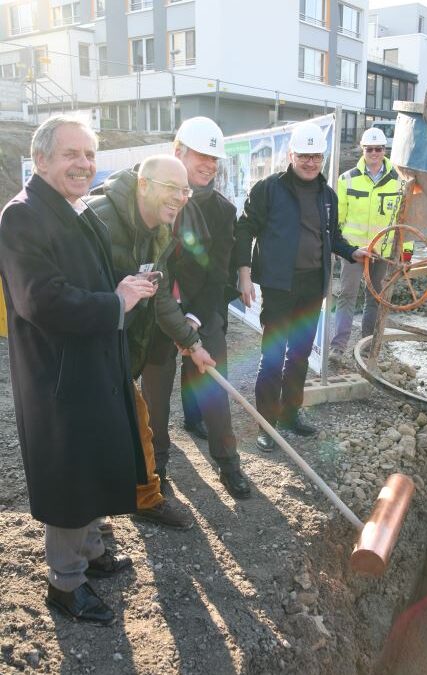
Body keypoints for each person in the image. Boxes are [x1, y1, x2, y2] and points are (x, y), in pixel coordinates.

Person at [0, 116, 156, 625]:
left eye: (89, 155)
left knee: (91, 457)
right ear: (40, 159)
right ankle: (64, 584)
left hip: (91, 361)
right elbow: (39, 300)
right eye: (71, 154)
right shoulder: (22, 217)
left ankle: (91, 553)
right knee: (68, 471)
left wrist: (127, 284)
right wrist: (115, 304)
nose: (84, 164)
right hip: (57, 375)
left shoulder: (76, 209)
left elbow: (90, 276)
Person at [86, 154, 215, 529]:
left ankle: (145, 499)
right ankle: (88, 522)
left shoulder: (159, 229)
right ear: (144, 184)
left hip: (120, 352)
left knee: (138, 422)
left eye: (185, 190)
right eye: (171, 189)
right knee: (92, 433)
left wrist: (192, 343)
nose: (181, 198)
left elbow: (158, 295)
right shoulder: (98, 220)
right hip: (86, 353)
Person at [235, 120, 367, 452]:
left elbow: (331, 237)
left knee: (300, 355)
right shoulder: (268, 189)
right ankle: (267, 425)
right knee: (273, 356)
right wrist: (245, 274)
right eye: (304, 155)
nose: (310, 162)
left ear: (322, 158)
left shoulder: (328, 196)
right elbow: (244, 230)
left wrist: (351, 251)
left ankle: (291, 413)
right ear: (291, 154)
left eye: (316, 156)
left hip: (312, 287)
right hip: (279, 288)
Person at [142, 117, 251, 500]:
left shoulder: (222, 210)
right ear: (178, 152)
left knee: (213, 388)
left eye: (214, 159)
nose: (209, 164)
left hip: (201, 309)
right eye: (201, 155)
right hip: (156, 309)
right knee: (154, 394)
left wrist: (193, 320)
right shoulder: (152, 198)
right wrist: (170, 317)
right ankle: (157, 464)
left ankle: (227, 462)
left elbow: (217, 275)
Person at [330, 127, 412, 365]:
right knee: (346, 295)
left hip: (382, 253)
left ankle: (366, 346)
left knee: (375, 298)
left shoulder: (400, 182)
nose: (374, 153)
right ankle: (338, 347)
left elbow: (406, 226)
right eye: (369, 149)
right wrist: (339, 249)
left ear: (384, 150)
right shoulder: (346, 180)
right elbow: (338, 220)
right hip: (354, 251)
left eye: (378, 149)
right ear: (362, 149)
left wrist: (406, 258)